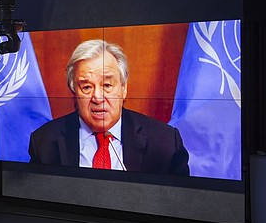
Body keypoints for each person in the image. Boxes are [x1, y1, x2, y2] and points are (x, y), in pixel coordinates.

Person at [28, 39, 190, 175]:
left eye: (106, 85)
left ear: (123, 88)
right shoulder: (44, 142)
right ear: (74, 92)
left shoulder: (165, 143)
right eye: (86, 87)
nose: (97, 97)